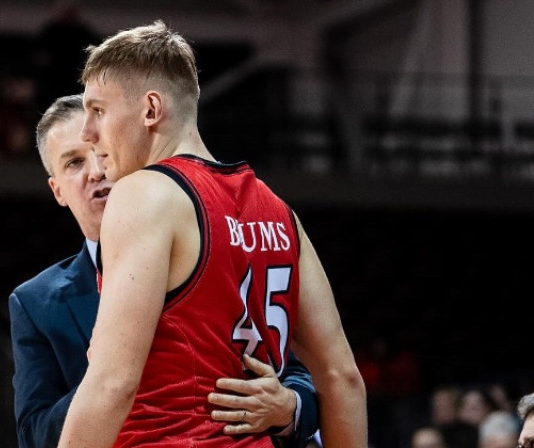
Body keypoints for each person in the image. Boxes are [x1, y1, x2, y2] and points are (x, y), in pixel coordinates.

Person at [58, 20, 366, 447]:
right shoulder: (279, 212)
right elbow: (343, 377)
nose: (88, 134)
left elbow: (113, 383)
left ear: (150, 109)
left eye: (98, 111)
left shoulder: (143, 195)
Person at [8, 94, 320, 448]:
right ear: (58, 191)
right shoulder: (35, 302)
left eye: (101, 152)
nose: (96, 171)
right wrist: (113, 376)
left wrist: (289, 407)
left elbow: (297, 373)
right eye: (74, 163)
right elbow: (33, 435)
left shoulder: (217, 249)